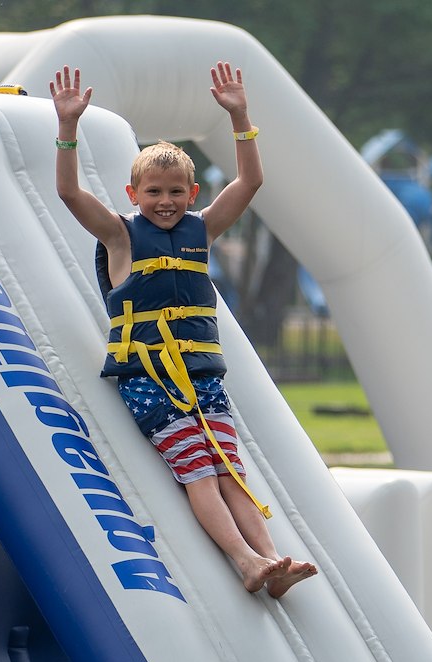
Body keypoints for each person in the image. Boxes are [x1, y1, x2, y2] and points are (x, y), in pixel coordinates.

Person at [50, 62, 316, 598]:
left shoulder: (203, 230)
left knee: (229, 468)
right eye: (154, 192)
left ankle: (272, 560)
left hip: (201, 374)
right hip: (148, 375)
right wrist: (68, 128)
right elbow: (70, 195)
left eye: (176, 191)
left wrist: (239, 116)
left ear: (193, 193)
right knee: (198, 468)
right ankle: (245, 561)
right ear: (133, 193)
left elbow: (250, 181)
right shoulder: (121, 238)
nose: (165, 201)